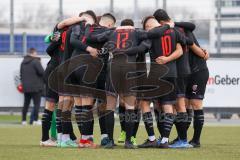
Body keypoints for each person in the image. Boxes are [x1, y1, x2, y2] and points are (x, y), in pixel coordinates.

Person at [20, 48, 44, 125]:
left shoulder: (23, 62)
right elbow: (42, 73)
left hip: (26, 87)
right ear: (33, 53)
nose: (36, 54)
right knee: (36, 104)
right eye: (36, 53)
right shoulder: (36, 61)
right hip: (36, 87)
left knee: (26, 104)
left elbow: (21, 75)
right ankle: (35, 120)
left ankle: (23, 120)